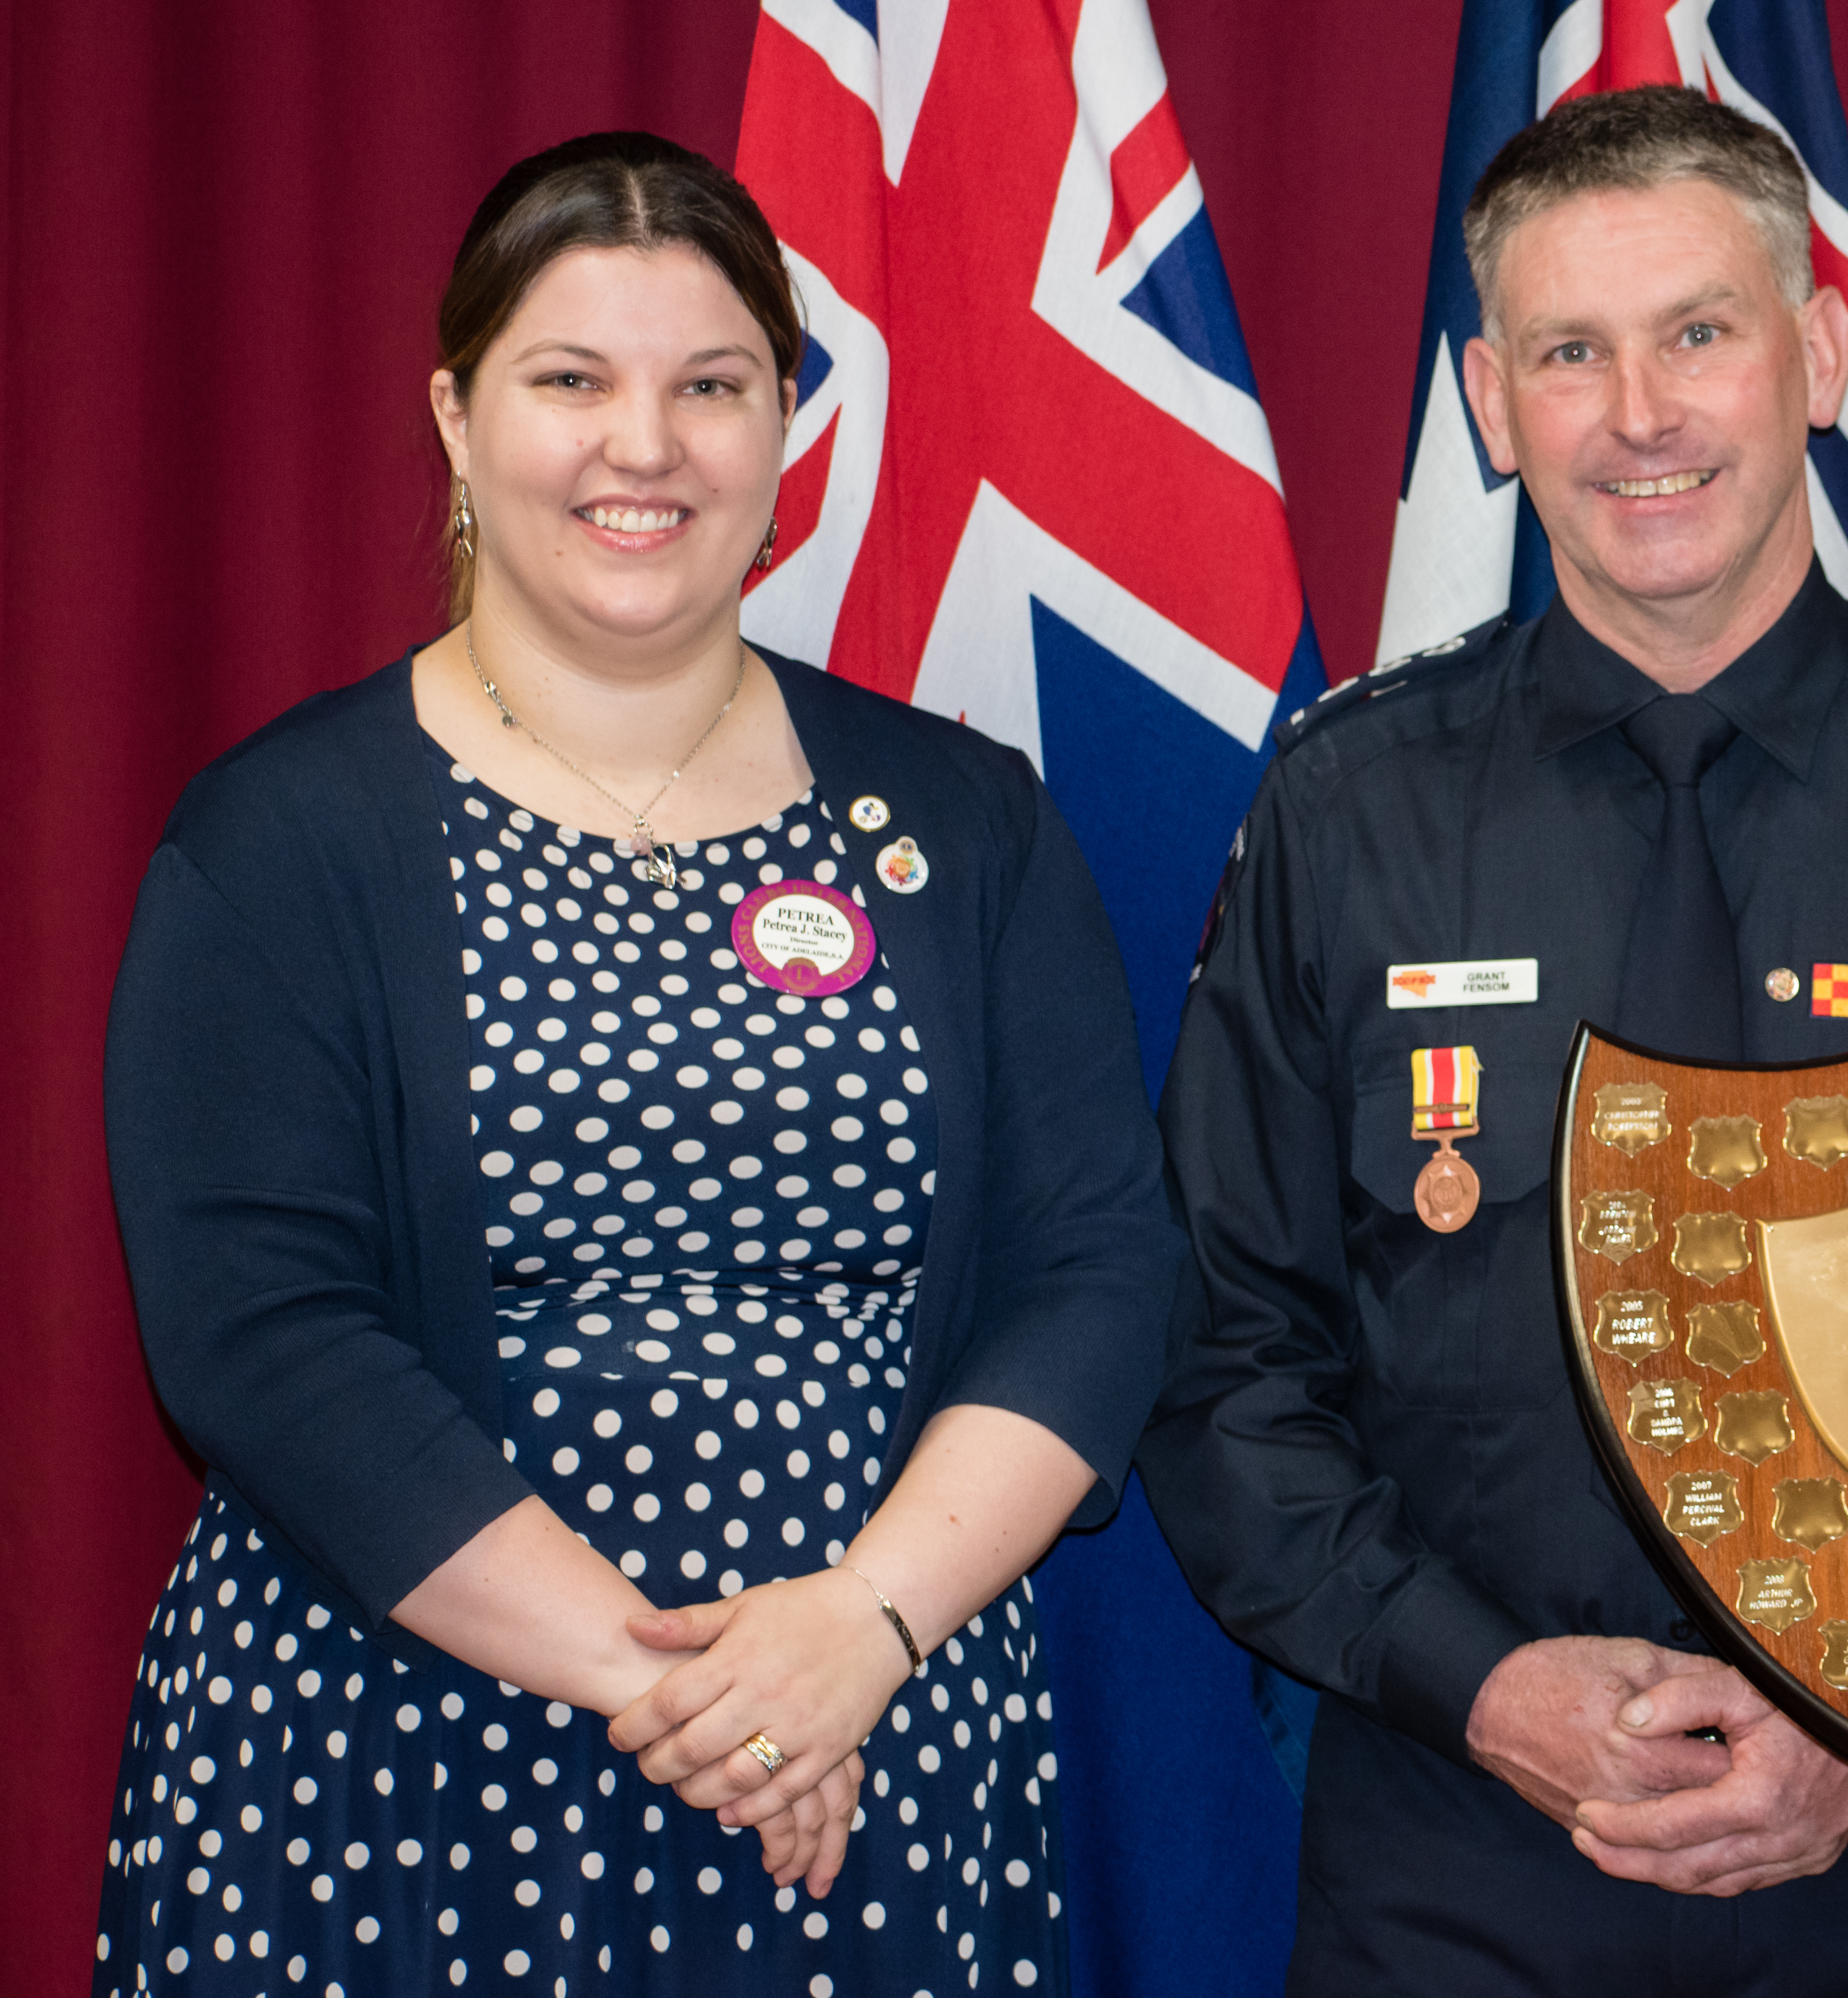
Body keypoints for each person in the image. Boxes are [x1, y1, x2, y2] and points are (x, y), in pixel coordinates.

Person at [1141, 84, 1848, 1995]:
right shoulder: (1349, 808)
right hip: (1454, 1855)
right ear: (1490, 402)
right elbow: (1220, 1353)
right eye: (1570, 351)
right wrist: (1478, 1688)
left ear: (1819, 357)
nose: (1640, 415)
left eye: (1699, 333)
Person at [95, 132, 1184, 1992]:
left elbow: (1095, 1271)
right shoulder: (282, 839)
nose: (644, 446)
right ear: (455, 417)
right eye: (570, 381)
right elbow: (261, 1335)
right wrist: (689, 1701)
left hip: (876, 1731)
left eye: (709, 385)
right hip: (405, 1752)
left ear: (783, 424)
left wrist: (855, 1633)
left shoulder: (962, 819)